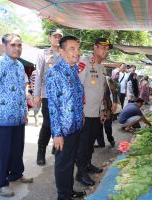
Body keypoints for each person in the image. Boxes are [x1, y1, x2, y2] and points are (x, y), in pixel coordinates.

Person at [46, 36, 85, 200]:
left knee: (70, 162)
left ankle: (68, 191)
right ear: (61, 51)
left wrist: (81, 115)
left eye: (78, 48)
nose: (77, 52)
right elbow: (53, 106)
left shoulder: (73, 70)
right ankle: (63, 196)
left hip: (76, 126)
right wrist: (57, 134)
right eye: (72, 49)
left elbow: (76, 98)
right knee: (63, 164)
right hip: (64, 129)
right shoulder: (55, 73)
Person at [0, 33, 33, 197]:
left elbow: (20, 92)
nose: (17, 48)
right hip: (1, 117)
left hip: (18, 116)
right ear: (4, 46)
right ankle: (0, 183)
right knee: (2, 152)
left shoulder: (19, 65)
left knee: (17, 148)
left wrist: (25, 112)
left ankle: (16, 174)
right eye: (13, 45)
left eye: (19, 45)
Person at [76, 38, 114, 186]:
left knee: (90, 143)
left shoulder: (101, 67)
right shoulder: (84, 63)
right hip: (85, 113)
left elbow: (101, 91)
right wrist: (79, 112)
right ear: (95, 47)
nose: (105, 51)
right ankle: (81, 173)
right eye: (102, 48)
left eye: (107, 49)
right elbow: (77, 87)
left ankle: (88, 165)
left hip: (96, 113)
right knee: (83, 144)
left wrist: (103, 110)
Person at [35, 29, 63, 166]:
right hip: (47, 95)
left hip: (62, 96)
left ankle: (56, 147)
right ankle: (41, 152)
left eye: (59, 36)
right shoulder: (43, 53)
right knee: (47, 124)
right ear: (49, 38)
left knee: (60, 122)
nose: (57, 38)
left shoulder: (65, 53)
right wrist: (36, 95)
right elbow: (39, 74)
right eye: (55, 36)